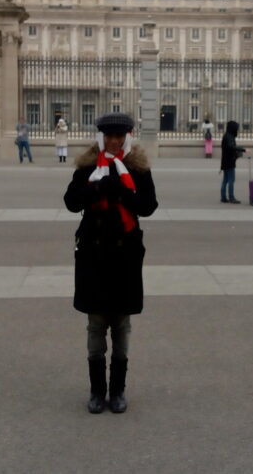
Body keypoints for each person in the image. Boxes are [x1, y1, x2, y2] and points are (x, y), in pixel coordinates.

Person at [63, 112, 158, 415]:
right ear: (101, 137)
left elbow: (149, 206)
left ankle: (117, 391)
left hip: (125, 255)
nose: (114, 141)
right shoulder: (89, 166)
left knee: (121, 325)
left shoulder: (138, 168)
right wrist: (97, 188)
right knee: (95, 325)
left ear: (128, 136)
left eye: (119, 136)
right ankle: (96, 391)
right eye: (109, 136)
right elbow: (71, 202)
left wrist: (122, 192)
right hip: (93, 253)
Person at [219, 120, 245, 203]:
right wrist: (243, 149)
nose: (236, 131)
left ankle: (223, 197)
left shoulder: (226, 135)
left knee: (225, 180)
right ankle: (231, 197)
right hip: (229, 161)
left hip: (225, 161)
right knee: (231, 180)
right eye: (236, 129)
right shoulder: (229, 137)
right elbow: (231, 147)